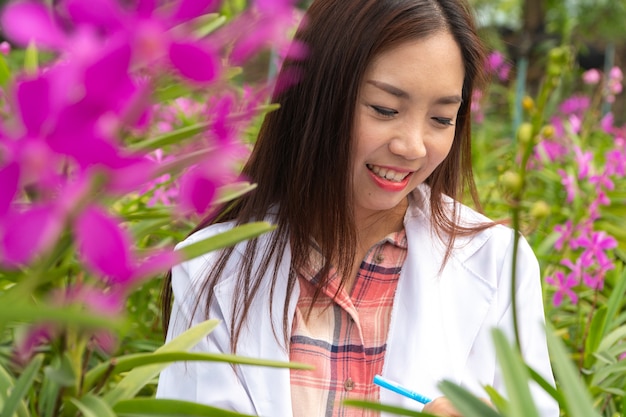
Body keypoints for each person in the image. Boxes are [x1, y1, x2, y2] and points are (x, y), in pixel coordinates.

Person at [156, 0, 559, 416]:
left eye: (441, 118)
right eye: (385, 109)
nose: (412, 146)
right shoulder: (214, 268)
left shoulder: (497, 264)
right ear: (316, 95)